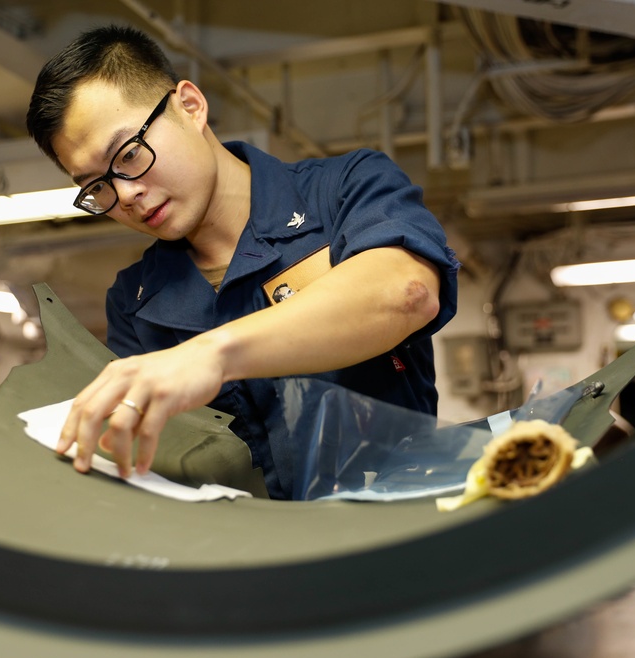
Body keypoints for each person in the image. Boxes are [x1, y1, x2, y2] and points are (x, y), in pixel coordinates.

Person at [26, 25, 460, 499]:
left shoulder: (343, 191)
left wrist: (210, 355)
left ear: (190, 107)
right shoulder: (136, 302)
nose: (125, 194)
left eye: (129, 154)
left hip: (398, 533)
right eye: (97, 187)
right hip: (253, 555)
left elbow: (405, 294)